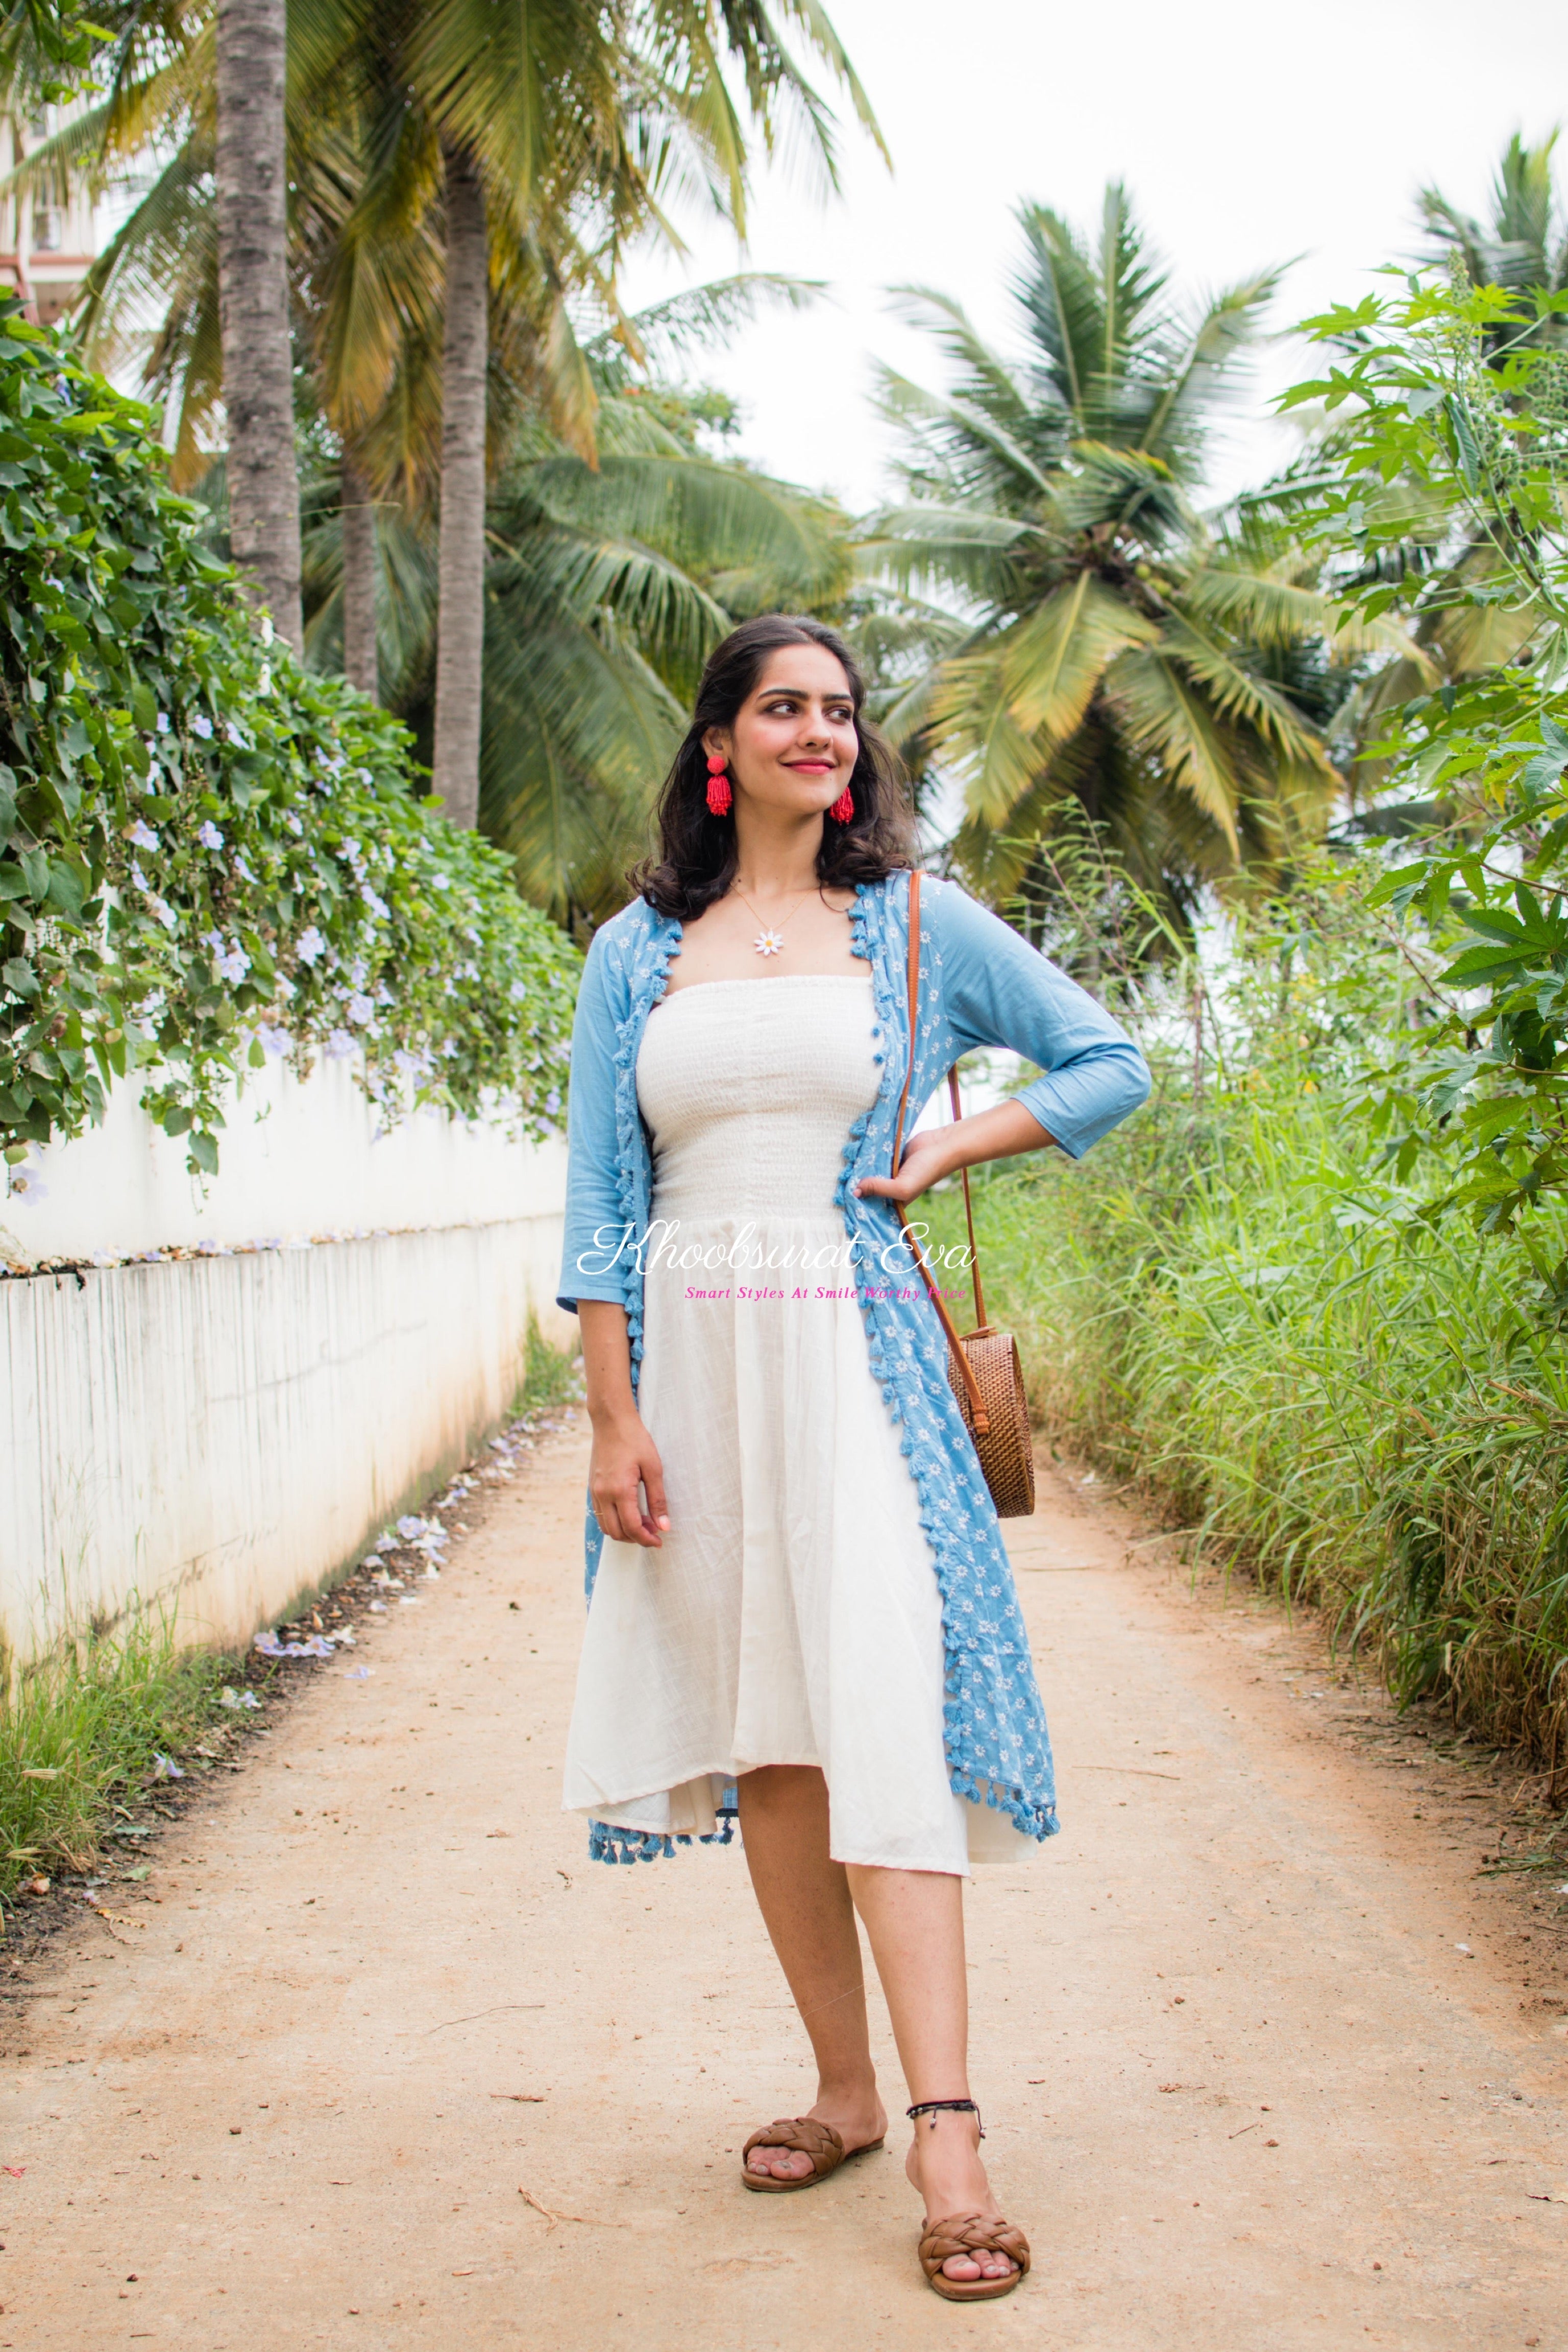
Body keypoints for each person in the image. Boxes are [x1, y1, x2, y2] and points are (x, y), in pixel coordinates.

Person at [556, 615, 1149, 2300]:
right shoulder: (632, 955)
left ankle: (951, 2131)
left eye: (842, 710)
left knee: (881, 1700)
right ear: (720, 746)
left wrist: (954, 1139)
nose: (824, 732)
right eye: (785, 708)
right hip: (695, 1366)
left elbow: (1113, 1061)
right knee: (774, 1734)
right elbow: (602, 1202)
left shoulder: (913, 928)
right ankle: (842, 2089)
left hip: (857, 1356)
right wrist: (614, 1417)